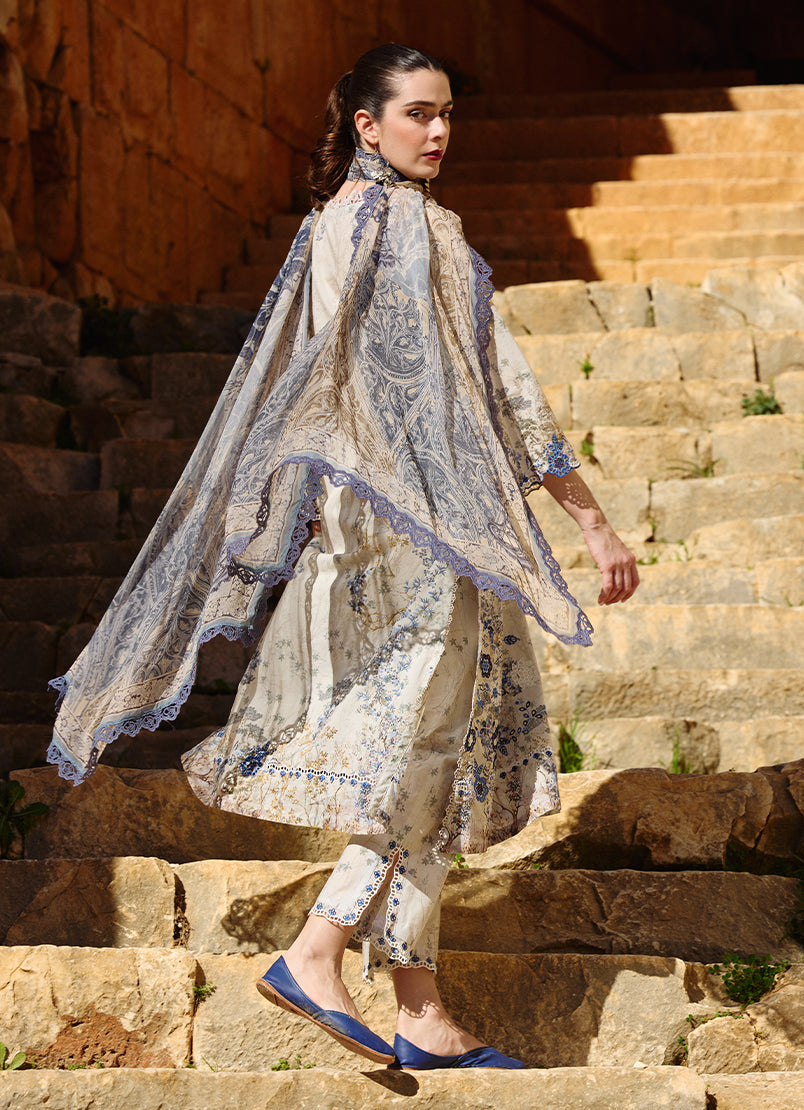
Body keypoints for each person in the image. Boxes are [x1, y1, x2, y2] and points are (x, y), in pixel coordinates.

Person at [48, 44, 638, 1070]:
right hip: (423, 526)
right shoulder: (398, 225)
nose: (439, 132)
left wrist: (328, 513)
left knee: (436, 750)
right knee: (423, 750)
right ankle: (317, 951)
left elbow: (363, 393)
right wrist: (587, 521)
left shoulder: (360, 224)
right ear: (366, 124)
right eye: (417, 114)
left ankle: (420, 1007)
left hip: (387, 521)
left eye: (447, 114)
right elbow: (479, 387)